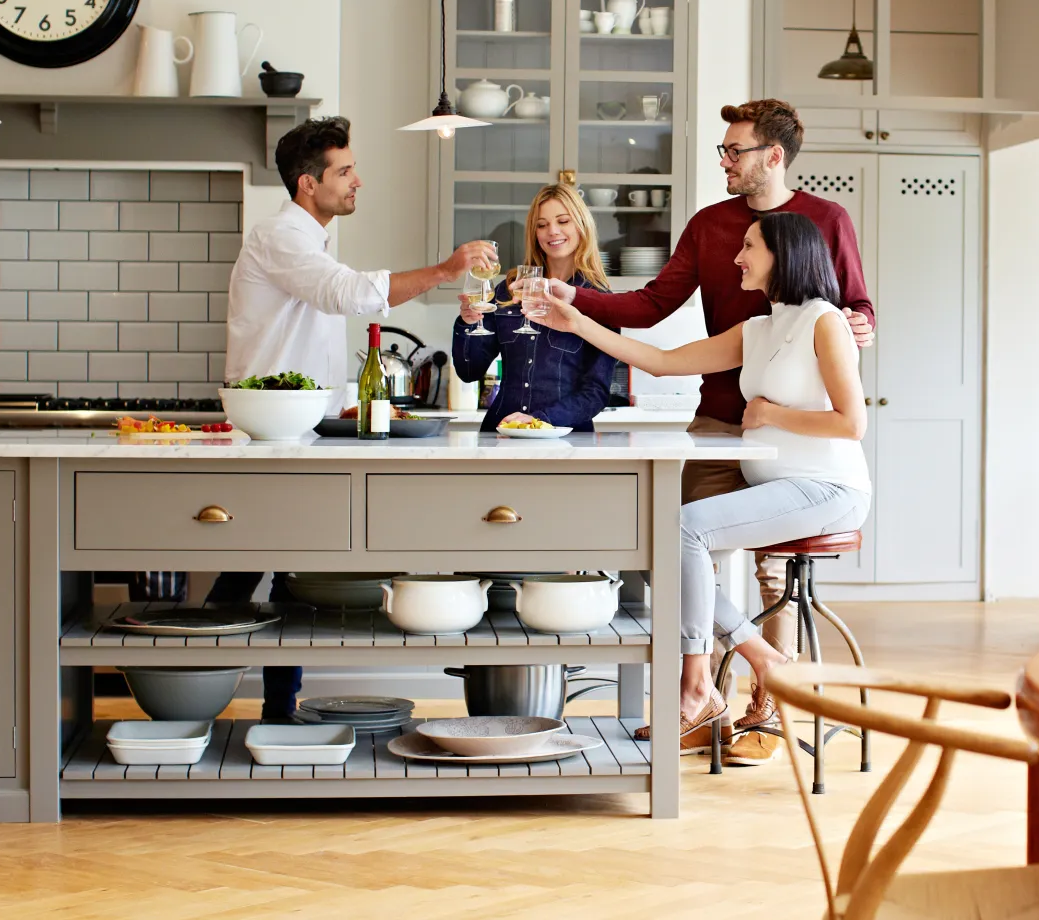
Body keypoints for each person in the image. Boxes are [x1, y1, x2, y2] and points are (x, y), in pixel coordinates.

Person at [540, 98, 874, 757]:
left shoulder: (822, 268)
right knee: (671, 541)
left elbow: (852, 380)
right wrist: (575, 311)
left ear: (772, 156)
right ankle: (728, 682)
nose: (736, 258)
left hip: (809, 464)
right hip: (732, 432)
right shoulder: (751, 316)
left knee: (740, 559)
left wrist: (841, 340)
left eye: (734, 150)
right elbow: (657, 344)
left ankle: (756, 704)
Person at [212, 115, 485, 722]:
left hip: (295, 428)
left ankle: (267, 707)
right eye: (345, 171)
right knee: (254, 573)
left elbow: (314, 320)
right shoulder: (281, 237)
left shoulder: (309, 239)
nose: (357, 180)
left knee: (272, 569)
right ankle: (218, 696)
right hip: (271, 434)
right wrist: (444, 271)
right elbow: (349, 294)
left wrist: (340, 400)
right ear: (308, 183)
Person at [452, 183, 619, 431]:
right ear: (534, 233)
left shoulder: (599, 301)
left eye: (563, 221)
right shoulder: (509, 290)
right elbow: (469, 371)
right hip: (502, 434)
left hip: (567, 437)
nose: (552, 231)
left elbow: (596, 393)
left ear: (581, 225)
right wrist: (467, 323)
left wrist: (540, 419)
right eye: (542, 225)